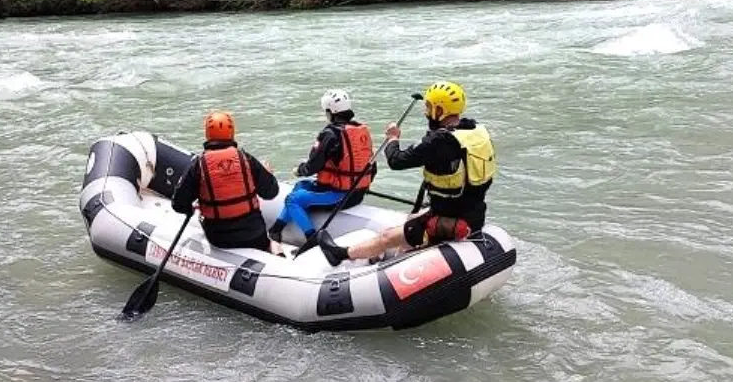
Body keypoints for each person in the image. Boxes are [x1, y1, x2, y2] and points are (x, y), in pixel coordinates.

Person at [318, 82, 494, 266]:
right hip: (474, 213)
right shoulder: (476, 131)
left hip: (450, 218)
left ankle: (341, 254)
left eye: (429, 107)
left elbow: (397, 161)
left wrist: (393, 138)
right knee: (411, 220)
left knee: (386, 236)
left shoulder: (441, 141)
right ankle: (390, 259)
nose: (426, 112)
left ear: (440, 110)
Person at [267, 89, 376, 245]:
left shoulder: (330, 134)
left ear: (331, 112)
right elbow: (372, 166)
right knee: (300, 186)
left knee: (292, 200)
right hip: (357, 193)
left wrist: (299, 170)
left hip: (340, 196)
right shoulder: (361, 131)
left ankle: (312, 239)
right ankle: (276, 229)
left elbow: (313, 165)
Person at [172, 110, 279, 252]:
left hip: (220, 239)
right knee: (271, 242)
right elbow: (271, 192)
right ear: (232, 132)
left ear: (207, 134)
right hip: (254, 236)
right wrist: (268, 174)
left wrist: (193, 206)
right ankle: (277, 253)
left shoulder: (199, 165)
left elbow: (178, 204)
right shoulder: (246, 159)